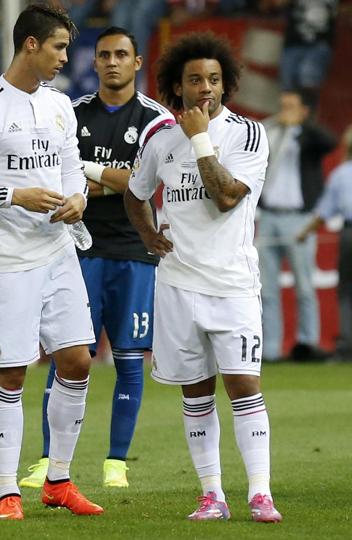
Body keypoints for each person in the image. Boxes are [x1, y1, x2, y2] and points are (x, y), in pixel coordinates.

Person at [0, 4, 103, 520]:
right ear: (30, 44)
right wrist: (14, 195)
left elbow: (72, 168)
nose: (65, 58)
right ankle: (7, 490)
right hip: (7, 259)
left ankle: (59, 480)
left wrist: (77, 197)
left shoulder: (59, 105)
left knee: (77, 360)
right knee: (12, 372)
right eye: (58, 47)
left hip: (58, 251)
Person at [123, 32, 282, 523]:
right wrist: (148, 234)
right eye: (195, 80)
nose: (206, 88)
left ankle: (260, 493)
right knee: (195, 392)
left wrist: (199, 139)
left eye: (213, 79)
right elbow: (135, 193)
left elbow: (226, 196)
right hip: (177, 285)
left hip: (232, 284)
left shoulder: (247, 134)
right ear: (177, 86)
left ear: (226, 83)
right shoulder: (159, 140)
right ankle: (212, 495)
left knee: (244, 385)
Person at [21, 25, 174, 491]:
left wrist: (91, 176)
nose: (111, 62)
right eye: (104, 55)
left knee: (128, 357)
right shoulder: (71, 113)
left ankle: (116, 462)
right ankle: (47, 460)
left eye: (121, 55)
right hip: (77, 249)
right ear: (95, 62)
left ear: (137, 62)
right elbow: (57, 173)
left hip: (134, 250)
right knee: (68, 356)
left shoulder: (156, 119)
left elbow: (144, 182)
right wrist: (117, 179)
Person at [257, 89, 336, 362]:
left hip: (299, 218)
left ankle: (307, 344)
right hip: (269, 216)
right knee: (266, 287)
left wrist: (302, 125)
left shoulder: (309, 138)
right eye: (283, 105)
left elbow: (330, 142)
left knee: (304, 285)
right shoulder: (271, 133)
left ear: (303, 111)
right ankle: (270, 349)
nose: (285, 111)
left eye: (291, 106)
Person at [297, 125, 352, 359]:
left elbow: (324, 211)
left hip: (349, 234)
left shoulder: (342, 173)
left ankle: (348, 346)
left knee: (347, 292)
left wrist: (303, 233)